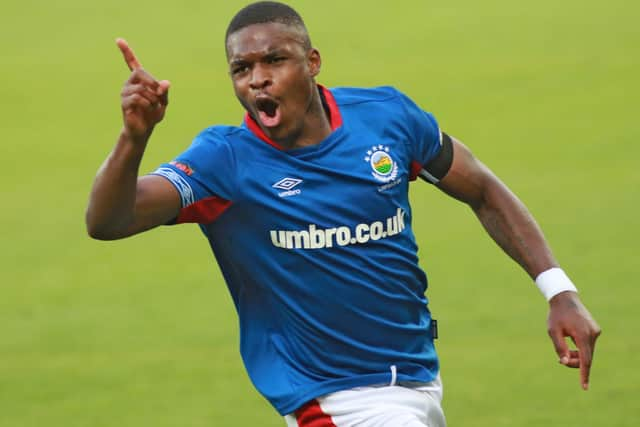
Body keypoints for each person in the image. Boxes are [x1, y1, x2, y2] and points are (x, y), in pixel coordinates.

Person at [86, 2, 601, 426]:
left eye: (275, 61)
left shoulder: (387, 119)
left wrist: (559, 291)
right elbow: (108, 221)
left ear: (312, 62)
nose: (258, 81)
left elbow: (483, 189)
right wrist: (135, 138)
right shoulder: (225, 160)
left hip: (416, 379)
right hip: (336, 403)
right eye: (242, 69)